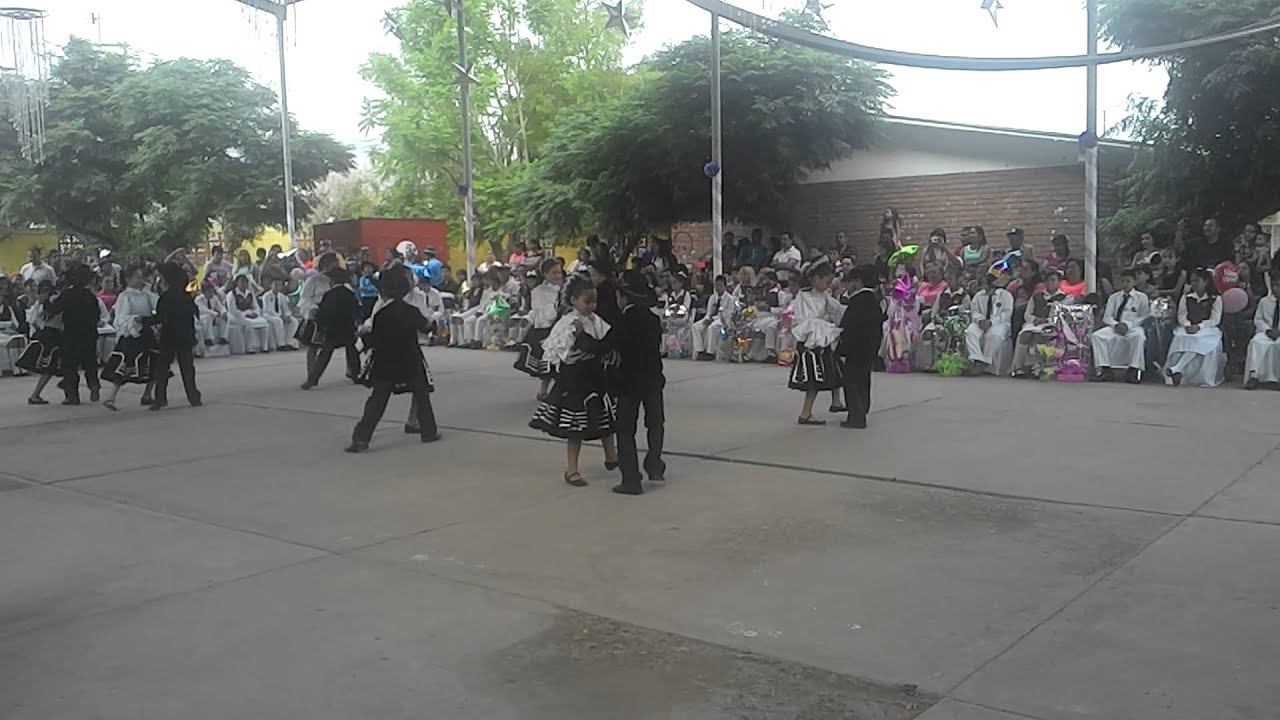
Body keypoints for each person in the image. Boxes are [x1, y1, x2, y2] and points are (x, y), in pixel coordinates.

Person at [529, 274, 620, 487]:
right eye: (586, 302)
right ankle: (572, 469)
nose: (591, 306)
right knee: (575, 426)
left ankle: (611, 456)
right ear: (573, 301)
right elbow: (560, 351)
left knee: (605, 419)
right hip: (575, 379)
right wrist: (577, 348)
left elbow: (605, 341)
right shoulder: (567, 322)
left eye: (593, 301)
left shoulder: (597, 321)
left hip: (596, 376)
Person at [347, 270, 440, 452]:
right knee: (421, 395)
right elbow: (426, 326)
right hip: (410, 357)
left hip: (385, 360)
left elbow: (374, 338)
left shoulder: (382, 314)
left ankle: (361, 438)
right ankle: (428, 432)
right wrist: (432, 326)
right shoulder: (411, 311)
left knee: (377, 400)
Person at [611, 270, 666, 495]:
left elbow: (610, 346)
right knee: (655, 423)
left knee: (625, 429)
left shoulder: (624, 321)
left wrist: (585, 338)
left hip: (629, 381)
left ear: (624, 297)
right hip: (653, 378)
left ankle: (631, 479)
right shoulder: (653, 319)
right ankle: (654, 464)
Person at [788, 261, 846, 425]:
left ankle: (836, 402)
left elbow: (838, 310)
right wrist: (826, 327)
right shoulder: (803, 297)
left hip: (822, 340)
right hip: (810, 343)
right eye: (826, 282)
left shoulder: (824, 296)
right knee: (814, 379)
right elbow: (805, 321)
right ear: (815, 279)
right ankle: (805, 413)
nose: (828, 286)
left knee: (836, 370)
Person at [101, 266, 161, 410]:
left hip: (146, 333)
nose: (140, 280)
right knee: (123, 366)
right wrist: (134, 320)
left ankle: (147, 394)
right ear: (128, 279)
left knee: (154, 363)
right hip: (131, 334)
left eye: (141, 277)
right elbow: (120, 318)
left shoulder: (147, 295)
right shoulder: (124, 296)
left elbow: (157, 308)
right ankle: (111, 398)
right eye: (137, 277)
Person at [146, 263, 202, 410]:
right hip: (185, 335)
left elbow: (160, 318)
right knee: (187, 368)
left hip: (169, 336)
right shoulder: (186, 296)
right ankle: (193, 396)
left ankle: (160, 398)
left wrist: (143, 320)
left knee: (162, 368)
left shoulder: (166, 297)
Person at [45, 264, 101, 405]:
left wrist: (45, 301)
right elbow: (97, 315)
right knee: (90, 362)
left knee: (69, 366)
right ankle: (93, 385)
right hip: (89, 334)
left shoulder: (67, 294)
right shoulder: (91, 296)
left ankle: (72, 396)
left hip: (71, 334)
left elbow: (54, 309)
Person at [836, 265, 883, 429]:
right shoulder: (874, 301)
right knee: (864, 380)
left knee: (851, 382)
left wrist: (841, 346)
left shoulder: (856, 302)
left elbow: (847, 326)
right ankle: (862, 409)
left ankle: (856, 416)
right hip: (869, 349)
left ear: (858, 282)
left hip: (854, 349)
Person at [302, 267, 361, 390]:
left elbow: (324, 314)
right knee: (352, 351)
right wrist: (356, 324)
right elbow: (356, 310)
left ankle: (312, 379)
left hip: (332, 330)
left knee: (324, 354)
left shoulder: (329, 295)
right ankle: (356, 374)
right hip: (348, 328)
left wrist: (321, 325)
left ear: (332, 281)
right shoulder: (349, 294)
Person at [1165, 269, 1224, 387]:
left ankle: (1177, 368)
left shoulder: (1216, 298)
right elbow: (1181, 315)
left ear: (1206, 282)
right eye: (1192, 281)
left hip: (1207, 329)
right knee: (1183, 337)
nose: (1193, 284)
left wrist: (1199, 326)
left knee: (1199, 340)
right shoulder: (1186, 297)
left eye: (1197, 281)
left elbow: (1215, 319)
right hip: (1188, 326)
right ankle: (1177, 369)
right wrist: (1187, 325)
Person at [514, 258, 563, 400]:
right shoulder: (538, 291)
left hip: (561, 328)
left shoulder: (564, 288)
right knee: (547, 363)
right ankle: (544, 391)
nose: (557, 276)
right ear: (545, 274)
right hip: (545, 329)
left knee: (560, 363)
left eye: (559, 272)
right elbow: (538, 312)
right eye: (554, 273)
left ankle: (557, 391)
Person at [1091, 269, 1151, 383]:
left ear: (1134, 282)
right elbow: (1107, 317)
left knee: (1139, 337)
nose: (1125, 284)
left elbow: (1144, 316)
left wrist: (1128, 325)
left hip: (1133, 327)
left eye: (1128, 281)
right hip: (1115, 327)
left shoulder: (1142, 297)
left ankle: (1133, 370)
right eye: (1122, 281)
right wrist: (1116, 324)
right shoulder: (1114, 297)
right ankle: (1105, 369)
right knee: (1097, 336)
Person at [1011, 269, 1070, 377]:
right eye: (1047, 281)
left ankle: (1037, 366)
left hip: (1052, 325)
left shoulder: (1065, 298)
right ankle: (1018, 367)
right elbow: (1027, 314)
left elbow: (1062, 315)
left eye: (1053, 280)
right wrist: (1035, 320)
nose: (1050, 283)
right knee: (1025, 335)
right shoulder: (1036, 297)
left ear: (1058, 282)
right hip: (1035, 324)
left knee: (1040, 336)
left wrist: (1047, 320)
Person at [16, 281, 61, 403]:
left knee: (53, 366)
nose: (40, 295)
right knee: (48, 367)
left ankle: (37, 394)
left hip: (51, 335)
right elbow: (34, 320)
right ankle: (35, 395)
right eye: (40, 292)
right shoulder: (43, 304)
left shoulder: (53, 301)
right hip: (50, 336)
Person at [965, 271, 1014, 376]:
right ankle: (977, 358)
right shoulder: (979, 295)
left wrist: (991, 322)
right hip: (981, 322)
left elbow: (1006, 313)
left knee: (994, 335)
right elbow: (975, 311)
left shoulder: (1005, 295)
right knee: (970, 331)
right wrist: (980, 320)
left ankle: (986, 360)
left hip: (999, 323)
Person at [296, 252, 338, 372]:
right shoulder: (313, 280)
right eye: (332, 265)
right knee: (313, 346)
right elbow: (304, 298)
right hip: (317, 314)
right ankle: (311, 372)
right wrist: (312, 308)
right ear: (325, 265)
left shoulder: (337, 280)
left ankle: (353, 371)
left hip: (333, 314)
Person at [1244, 274, 1280, 389]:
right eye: (1273, 285)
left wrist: (1278, 331)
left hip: (1278, 333)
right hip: (1266, 332)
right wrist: (1267, 330)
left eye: (1278, 286)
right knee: (1256, 342)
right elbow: (1258, 319)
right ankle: (1254, 376)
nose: (1275, 288)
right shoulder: (1264, 301)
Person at [227, 274, 270, 354]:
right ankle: (249, 347)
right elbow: (232, 309)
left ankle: (264, 346)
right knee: (248, 325)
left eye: (245, 282)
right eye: (242, 282)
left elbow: (255, 306)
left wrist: (255, 313)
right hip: (236, 316)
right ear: (237, 283)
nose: (244, 284)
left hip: (250, 314)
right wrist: (244, 314)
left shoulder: (250, 293)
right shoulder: (232, 294)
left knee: (264, 323)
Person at [693, 274, 732, 361]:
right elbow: (709, 311)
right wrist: (707, 318)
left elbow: (727, 314)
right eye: (716, 285)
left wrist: (713, 319)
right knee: (695, 326)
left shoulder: (730, 299)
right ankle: (700, 350)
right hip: (711, 318)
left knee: (712, 327)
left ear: (725, 286)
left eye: (720, 285)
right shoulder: (712, 297)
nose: (718, 288)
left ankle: (710, 352)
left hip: (723, 320)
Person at [260, 278, 298, 352]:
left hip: (280, 315)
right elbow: (267, 309)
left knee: (294, 321)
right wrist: (279, 316)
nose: (277, 287)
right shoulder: (266, 295)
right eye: (276, 285)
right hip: (268, 315)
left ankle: (289, 342)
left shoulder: (281, 296)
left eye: (279, 285)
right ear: (271, 285)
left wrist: (287, 315)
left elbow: (285, 308)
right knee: (279, 321)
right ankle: (280, 344)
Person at [195, 282, 229, 349]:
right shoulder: (198, 299)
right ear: (204, 292)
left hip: (212, 316)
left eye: (212, 291)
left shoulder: (214, 298)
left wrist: (223, 312)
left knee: (223, 318)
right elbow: (203, 310)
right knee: (208, 316)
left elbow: (220, 307)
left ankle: (223, 337)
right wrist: (215, 314)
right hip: (201, 318)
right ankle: (208, 339)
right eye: (209, 291)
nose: (211, 293)